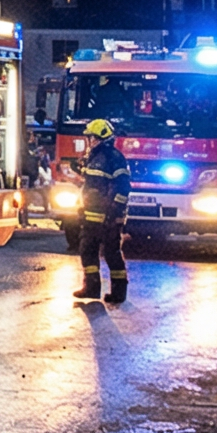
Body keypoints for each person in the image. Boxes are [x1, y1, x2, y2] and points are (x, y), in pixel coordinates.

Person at [74, 117, 131, 304]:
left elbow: (122, 188)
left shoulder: (114, 158)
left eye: (91, 137)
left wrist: (115, 213)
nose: (89, 141)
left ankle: (119, 292)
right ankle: (91, 288)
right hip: (91, 215)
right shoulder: (94, 158)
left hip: (108, 216)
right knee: (87, 249)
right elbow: (91, 185)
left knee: (111, 252)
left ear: (100, 138)